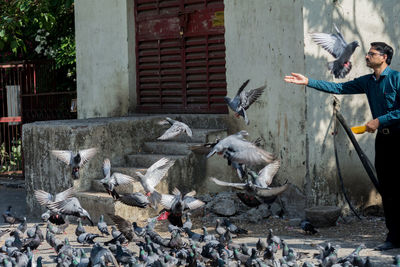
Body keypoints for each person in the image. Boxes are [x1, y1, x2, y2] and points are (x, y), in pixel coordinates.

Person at [284, 42, 400, 251]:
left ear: (384, 57)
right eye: (367, 53)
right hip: (383, 141)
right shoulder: (368, 82)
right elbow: (339, 87)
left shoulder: (396, 79)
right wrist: (308, 81)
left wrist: (379, 120)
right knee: (388, 190)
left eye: (371, 54)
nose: (366, 56)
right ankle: (394, 237)